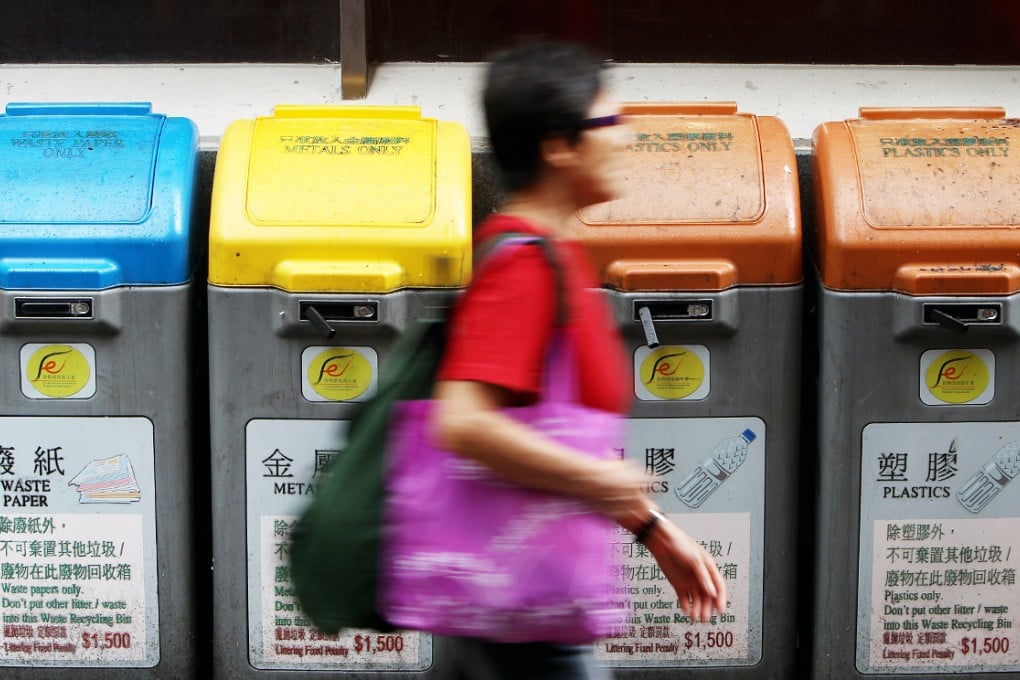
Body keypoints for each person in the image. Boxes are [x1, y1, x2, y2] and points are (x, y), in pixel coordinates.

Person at [430, 41, 727, 679]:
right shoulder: (524, 265)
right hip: (527, 619)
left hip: (533, 604)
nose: (625, 138)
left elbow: (549, 426)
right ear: (559, 146)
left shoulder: (554, 258)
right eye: (608, 123)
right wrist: (602, 483)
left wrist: (651, 528)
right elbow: (464, 422)